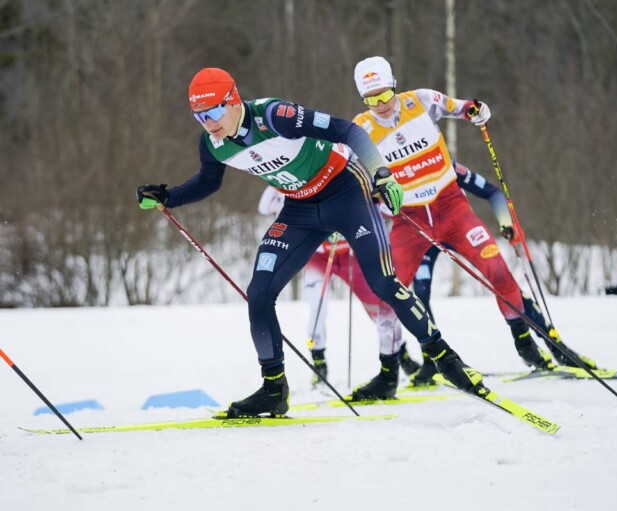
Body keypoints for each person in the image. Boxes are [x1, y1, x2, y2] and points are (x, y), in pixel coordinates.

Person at [136, 67, 483, 417]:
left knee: (383, 283)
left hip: (345, 192)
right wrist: (169, 196)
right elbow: (208, 182)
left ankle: (446, 360)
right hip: (299, 209)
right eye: (199, 116)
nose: (208, 123)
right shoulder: (212, 143)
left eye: (213, 113)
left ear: (233, 99)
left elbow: (348, 130)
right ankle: (274, 389)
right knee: (259, 293)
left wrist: (381, 172)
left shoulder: (274, 115)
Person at [351, 56, 596, 388]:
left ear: (394, 85)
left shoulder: (419, 101)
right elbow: (349, 171)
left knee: (498, 271)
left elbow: (462, 108)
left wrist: (476, 110)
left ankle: (525, 341)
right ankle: (392, 371)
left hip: (451, 210)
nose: (379, 105)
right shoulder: (360, 129)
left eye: (383, 95)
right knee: (391, 295)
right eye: (370, 99)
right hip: (411, 223)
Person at [410, 163, 597, 377]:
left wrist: (506, 223)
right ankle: (429, 361)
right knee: (419, 294)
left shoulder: (443, 163)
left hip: (456, 230)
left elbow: (493, 192)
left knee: (504, 282)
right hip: (422, 238)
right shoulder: (391, 166)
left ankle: (556, 349)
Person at [257, 187, 421, 388]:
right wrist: (279, 186)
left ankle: (401, 355)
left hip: (349, 255)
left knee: (379, 306)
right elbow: (264, 207)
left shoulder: (347, 177)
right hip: (317, 257)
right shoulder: (295, 182)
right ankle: (319, 363)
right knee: (318, 305)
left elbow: (388, 209)